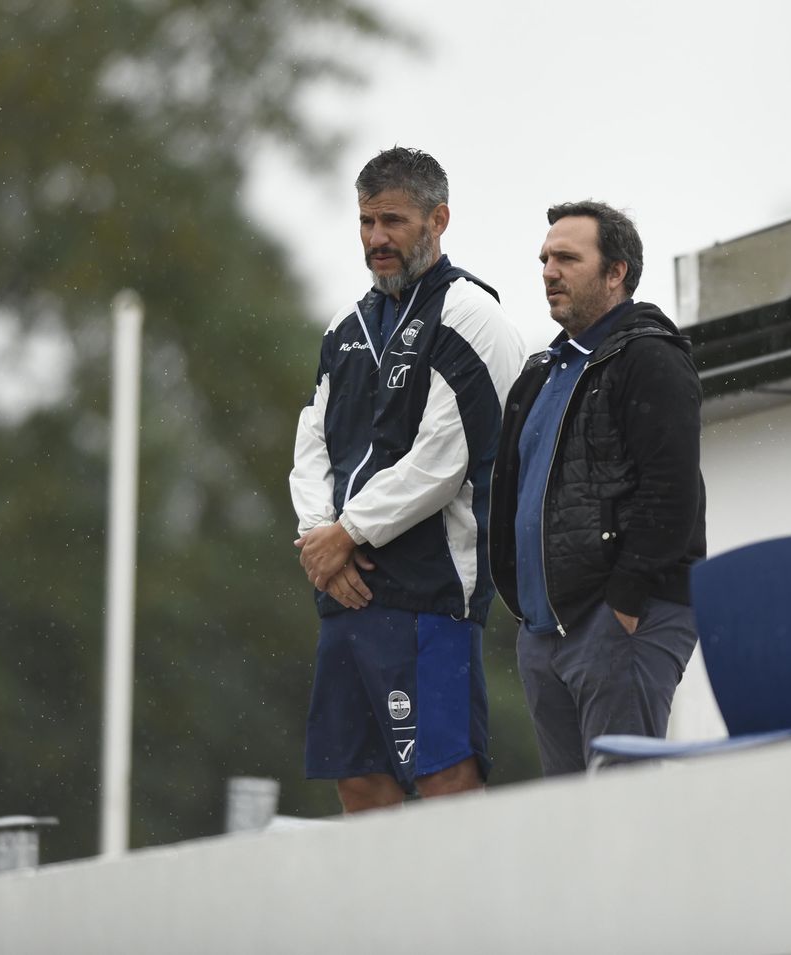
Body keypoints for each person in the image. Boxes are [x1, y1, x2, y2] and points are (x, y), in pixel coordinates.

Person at [290, 147, 524, 812]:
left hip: (430, 598)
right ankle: (379, 918)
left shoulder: (472, 315)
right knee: (359, 777)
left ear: (438, 219)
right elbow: (311, 443)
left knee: (446, 776)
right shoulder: (344, 328)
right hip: (344, 592)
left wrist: (348, 531)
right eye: (365, 221)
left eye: (392, 220)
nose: (375, 239)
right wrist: (319, 542)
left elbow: (441, 460)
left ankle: (462, 917)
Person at [489, 200, 707, 776]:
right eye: (544, 258)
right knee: (572, 829)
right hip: (544, 632)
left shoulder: (650, 357)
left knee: (624, 821)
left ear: (617, 273)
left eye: (566, 257)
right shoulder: (540, 373)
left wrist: (625, 606)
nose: (548, 271)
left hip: (622, 621)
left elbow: (672, 491)